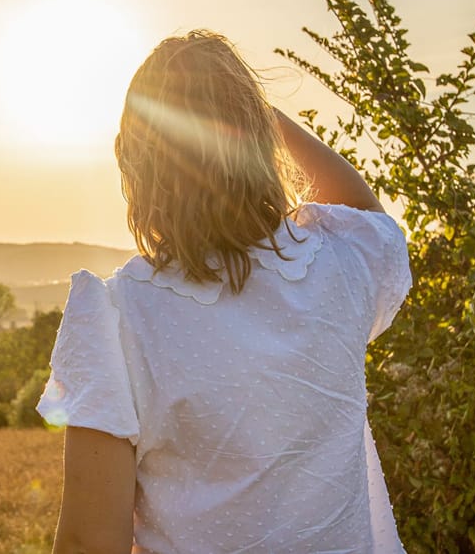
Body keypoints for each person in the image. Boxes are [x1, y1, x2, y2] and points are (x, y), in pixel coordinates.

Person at [36, 30, 412, 553]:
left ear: (133, 165)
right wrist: (251, 112)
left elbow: (89, 543)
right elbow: (369, 216)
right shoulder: (340, 269)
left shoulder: (117, 317)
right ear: (259, 142)